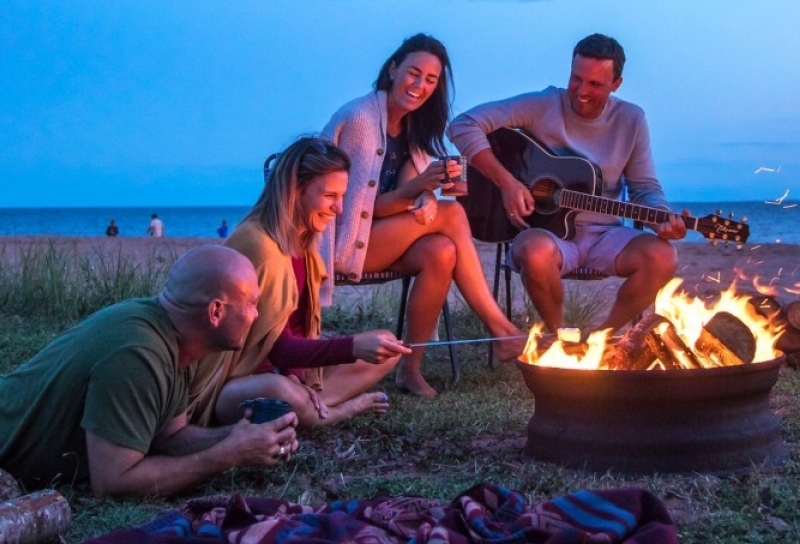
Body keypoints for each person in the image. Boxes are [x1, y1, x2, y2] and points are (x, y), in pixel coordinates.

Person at [0, 245, 299, 497]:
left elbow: (170, 436)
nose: (257, 315)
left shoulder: (176, 337)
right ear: (216, 312)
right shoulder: (138, 355)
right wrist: (225, 456)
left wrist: (242, 436)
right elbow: (114, 481)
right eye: (251, 303)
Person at [320, 33, 524, 398]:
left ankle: (410, 370)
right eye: (414, 73)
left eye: (431, 80)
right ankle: (501, 330)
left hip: (378, 239)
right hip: (341, 242)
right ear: (393, 69)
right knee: (452, 215)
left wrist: (425, 194)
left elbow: (398, 200)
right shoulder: (360, 120)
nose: (420, 86)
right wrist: (423, 192)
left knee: (441, 252)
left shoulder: (412, 130)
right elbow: (357, 211)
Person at [447, 33, 688, 334]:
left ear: (616, 84)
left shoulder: (631, 119)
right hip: (547, 236)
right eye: (577, 79)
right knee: (535, 253)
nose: (581, 91)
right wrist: (508, 183)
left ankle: (603, 340)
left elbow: (645, 188)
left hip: (606, 237)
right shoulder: (543, 104)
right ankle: (563, 339)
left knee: (664, 256)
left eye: (595, 84)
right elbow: (463, 124)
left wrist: (661, 217)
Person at [188, 137, 410, 428]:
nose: (339, 209)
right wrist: (351, 347)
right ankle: (333, 412)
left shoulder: (302, 245)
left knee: (387, 347)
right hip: (230, 386)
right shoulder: (260, 246)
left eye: (341, 197)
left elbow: (291, 328)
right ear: (295, 191)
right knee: (278, 391)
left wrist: (295, 375)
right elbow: (270, 348)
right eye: (330, 196)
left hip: (278, 373)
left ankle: (307, 404)